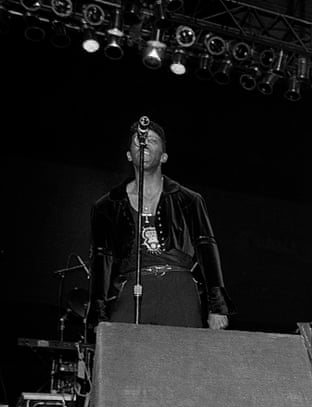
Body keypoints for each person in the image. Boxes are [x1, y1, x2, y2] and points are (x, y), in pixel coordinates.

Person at [88, 118, 233, 330]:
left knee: (181, 356)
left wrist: (217, 305)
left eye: (152, 140)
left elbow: (207, 250)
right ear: (129, 155)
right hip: (132, 285)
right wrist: (97, 311)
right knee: (121, 353)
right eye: (138, 141)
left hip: (178, 286)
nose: (143, 143)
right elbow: (101, 260)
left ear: (164, 156)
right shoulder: (107, 205)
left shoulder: (188, 199)